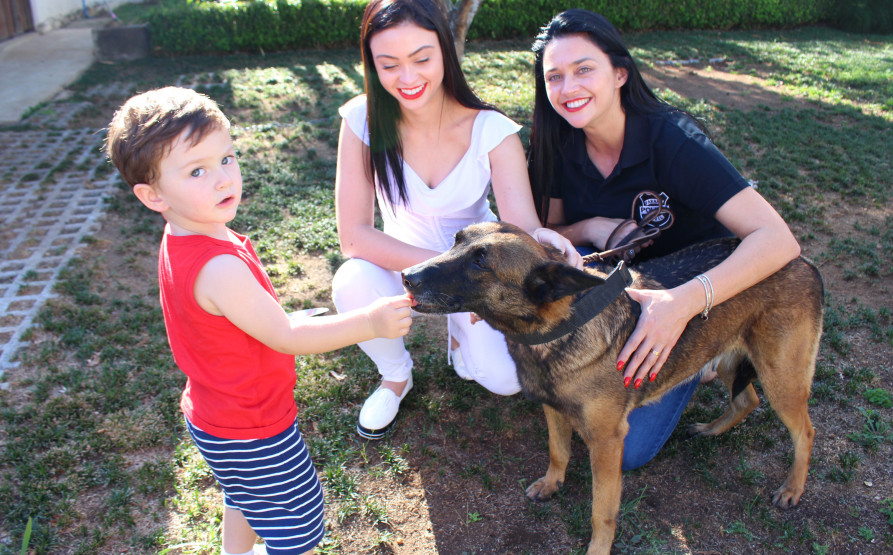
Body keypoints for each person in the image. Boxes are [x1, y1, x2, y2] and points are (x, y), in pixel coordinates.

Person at [105, 86, 413, 555]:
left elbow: (223, 320)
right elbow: (285, 337)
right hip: (254, 429)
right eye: (197, 171)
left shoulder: (185, 234)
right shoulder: (219, 264)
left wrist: (268, 319)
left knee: (244, 498)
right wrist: (369, 322)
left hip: (215, 417)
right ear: (152, 195)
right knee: (297, 524)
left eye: (227, 158)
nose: (223, 178)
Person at [527, 9, 801, 470]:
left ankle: (705, 355)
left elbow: (778, 239)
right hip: (623, 284)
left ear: (619, 73)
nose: (568, 88)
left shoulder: (672, 139)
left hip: (694, 293)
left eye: (584, 69)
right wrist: (592, 225)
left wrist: (684, 305)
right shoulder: (555, 141)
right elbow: (549, 235)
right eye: (554, 76)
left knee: (627, 449)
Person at [332, 0, 580, 440]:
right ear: (371, 64)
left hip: (472, 274)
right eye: (388, 65)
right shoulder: (361, 120)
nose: (407, 78)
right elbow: (353, 237)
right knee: (350, 281)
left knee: (503, 380)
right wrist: (441, 269)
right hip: (402, 264)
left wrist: (542, 240)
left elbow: (518, 226)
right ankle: (395, 376)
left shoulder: (492, 130)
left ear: (445, 51)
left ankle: (459, 341)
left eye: (422, 59)